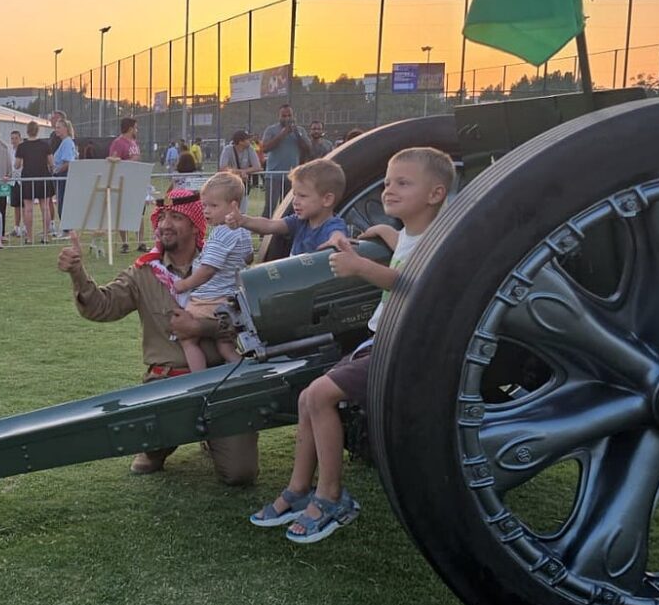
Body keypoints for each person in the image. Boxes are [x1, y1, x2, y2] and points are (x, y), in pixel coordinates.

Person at [249, 147, 455, 543]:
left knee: (322, 396)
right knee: (309, 396)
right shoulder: (410, 235)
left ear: (436, 194)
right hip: (381, 338)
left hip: (404, 345)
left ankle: (332, 497)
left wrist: (361, 267)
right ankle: (297, 490)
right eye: (389, 182)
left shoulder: (439, 240)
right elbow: (404, 250)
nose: (389, 190)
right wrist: (380, 234)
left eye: (403, 183)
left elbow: (422, 285)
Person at [57, 187, 259, 484]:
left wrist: (200, 328)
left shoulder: (221, 262)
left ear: (195, 224)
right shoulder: (144, 271)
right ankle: (156, 448)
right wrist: (77, 273)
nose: (165, 224)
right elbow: (102, 307)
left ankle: (212, 432)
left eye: (176, 217)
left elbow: (247, 320)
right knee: (147, 453)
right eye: (162, 217)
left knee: (241, 474)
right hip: (167, 379)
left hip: (220, 378)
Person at [171, 173, 253, 373]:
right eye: (204, 205)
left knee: (187, 337)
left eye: (213, 206)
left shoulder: (221, 233)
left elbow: (208, 270)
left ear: (233, 206)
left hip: (209, 299)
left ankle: (199, 379)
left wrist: (184, 284)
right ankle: (245, 372)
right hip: (231, 298)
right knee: (225, 345)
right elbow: (249, 257)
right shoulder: (243, 230)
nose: (207, 211)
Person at [227, 158, 347, 255]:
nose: (295, 201)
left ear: (327, 200)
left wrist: (338, 240)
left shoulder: (333, 225)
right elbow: (270, 225)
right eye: (294, 195)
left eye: (302, 196)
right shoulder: (299, 222)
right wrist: (243, 220)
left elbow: (337, 234)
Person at [260, 103, 312, 217]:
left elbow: (308, 148)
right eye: (284, 116)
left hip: (292, 176)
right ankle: (263, 233)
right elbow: (265, 148)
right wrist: (283, 133)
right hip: (274, 175)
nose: (287, 118)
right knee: (270, 206)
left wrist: (297, 134)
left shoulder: (300, 130)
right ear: (279, 116)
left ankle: (284, 233)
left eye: (289, 115)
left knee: (289, 208)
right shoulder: (271, 130)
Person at [108, 117, 145, 253]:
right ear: (130, 128)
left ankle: (141, 242)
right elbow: (113, 160)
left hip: (136, 182)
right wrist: (130, 161)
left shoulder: (134, 142)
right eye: (135, 127)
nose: (137, 130)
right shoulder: (118, 143)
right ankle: (125, 243)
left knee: (139, 213)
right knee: (123, 213)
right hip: (123, 183)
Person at [14, 120, 55, 244]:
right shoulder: (45, 145)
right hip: (43, 177)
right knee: (45, 208)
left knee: (28, 209)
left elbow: (16, 165)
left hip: (28, 178)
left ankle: (30, 237)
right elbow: (51, 163)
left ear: (27, 131)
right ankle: (46, 236)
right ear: (38, 131)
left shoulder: (22, 146)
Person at [218, 130, 263, 214]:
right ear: (240, 142)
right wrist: (240, 172)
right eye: (247, 139)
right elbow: (223, 168)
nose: (250, 140)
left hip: (243, 184)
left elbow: (258, 167)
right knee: (229, 209)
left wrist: (244, 171)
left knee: (242, 210)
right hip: (229, 184)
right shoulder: (228, 149)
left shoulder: (250, 149)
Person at [52, 116, 77, 233]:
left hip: (64, 176)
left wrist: (56, 170)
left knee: (63, 202)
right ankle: (66, 228)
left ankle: (67, 229)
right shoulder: (65, 142)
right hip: (63, 176)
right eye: (55, 127)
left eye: (58, 127)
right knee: (62, 201)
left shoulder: (67, 142)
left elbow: (68, 162)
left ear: (65, 129)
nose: (56, 129)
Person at [8, 130, 25, 238]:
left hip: (23, 180)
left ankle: (25, 227)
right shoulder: (10, 152)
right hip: (13, 181)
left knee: (24, 205)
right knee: (16, 205)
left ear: (20, 138)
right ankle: (16, 227)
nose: (14, 140)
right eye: (12, 138)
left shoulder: (24, 150)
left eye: (16, 138)